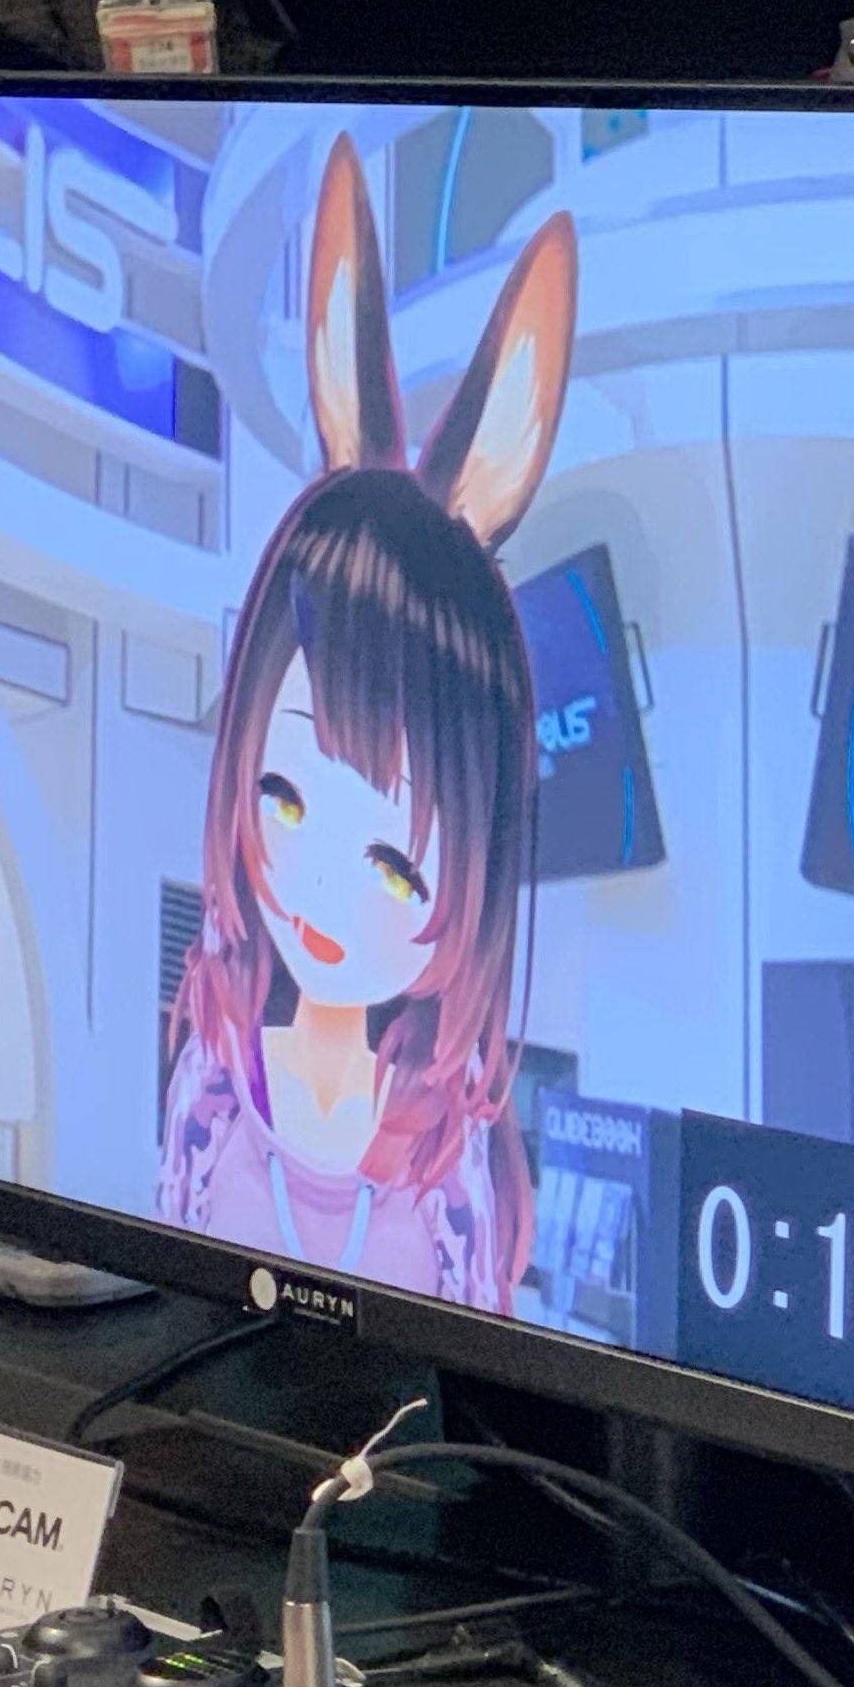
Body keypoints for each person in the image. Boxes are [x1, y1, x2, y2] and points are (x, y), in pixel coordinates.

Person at [158, 137, 572, 1314]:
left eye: (394, 862)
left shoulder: (448, 1151)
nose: (322, 889)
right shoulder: (213, 1082)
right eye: (284, 797)